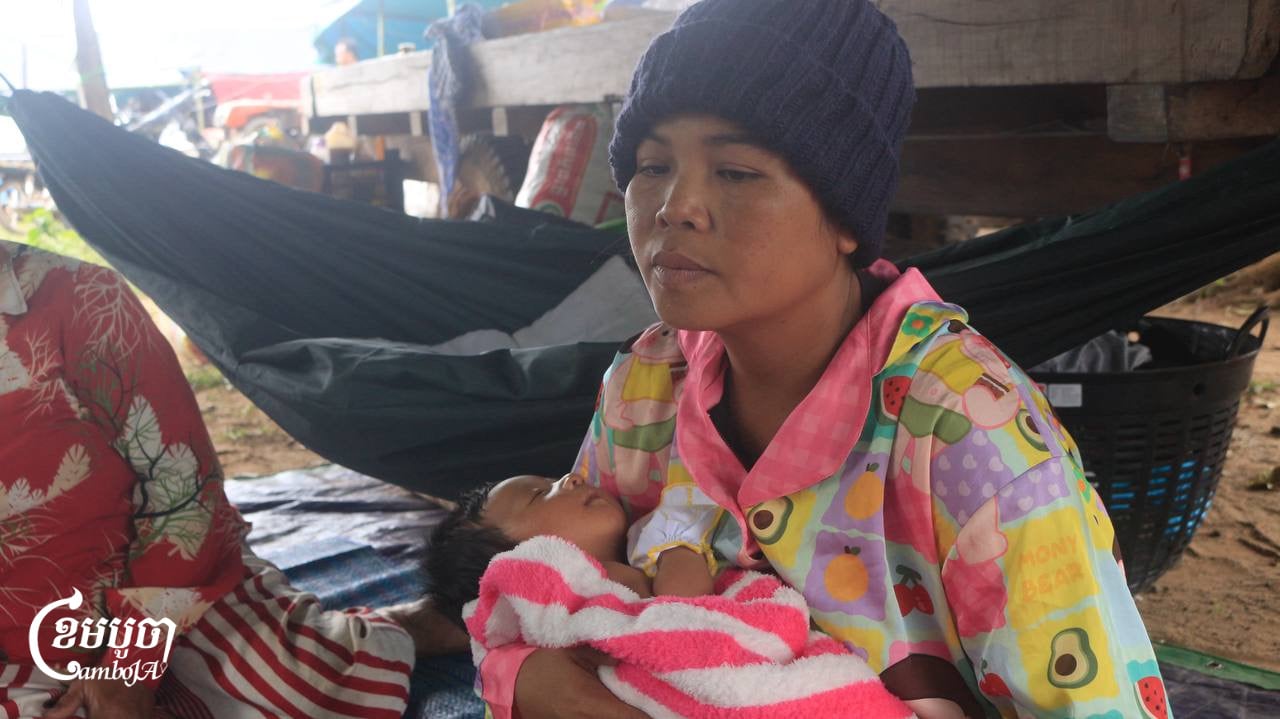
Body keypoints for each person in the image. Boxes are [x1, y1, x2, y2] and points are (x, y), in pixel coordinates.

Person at [479, 1, 1170, 717]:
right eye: (652, 164)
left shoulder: (969, 434)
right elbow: (553, 586)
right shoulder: (644, 386)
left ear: (845, 216)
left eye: (737, 171)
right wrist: (528, 674)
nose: (675, 206)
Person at [0, 239, 467, 719]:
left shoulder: (81, 297)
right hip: (21, 645)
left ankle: (401, 630)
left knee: (297, 684)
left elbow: (183, 495)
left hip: (161, 586)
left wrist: (130, 665)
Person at [427, 473, 717, 631]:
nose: (572, 477)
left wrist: (676, 550)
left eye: (550, 480)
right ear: (519, 565)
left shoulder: (653, 536)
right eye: (539, 494)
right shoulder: (548, 629)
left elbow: (684, 609)